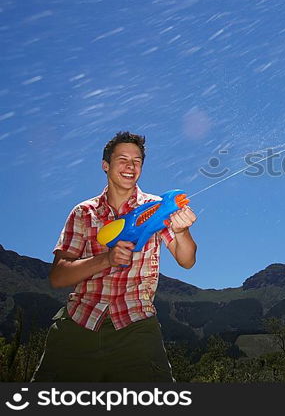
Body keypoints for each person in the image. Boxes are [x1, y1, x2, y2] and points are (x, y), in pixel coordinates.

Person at [32, 131, 198, 382]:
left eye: (137, 161)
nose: (131, 166)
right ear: (105, 165)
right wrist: (106, 259)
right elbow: (58, 277)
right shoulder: (83, 212)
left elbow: (187, 260)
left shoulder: (156, 208)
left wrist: (182, 231)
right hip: (79, 323)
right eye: (123, 159)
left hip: (137, 326)